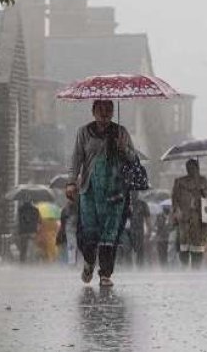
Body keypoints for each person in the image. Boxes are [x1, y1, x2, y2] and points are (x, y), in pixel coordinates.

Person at [66, 100, 137, 287]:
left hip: (115, 192)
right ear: (93, 111)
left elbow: (133, 159)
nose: (105, 114)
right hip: (90, 190)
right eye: (100, 110)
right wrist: (72, 182)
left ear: (113, 112)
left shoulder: (121, 133)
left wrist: (124, 149)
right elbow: (76, 158)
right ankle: (89, 261)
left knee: (110, 233)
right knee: (88, 233)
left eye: (109, 110)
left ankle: (105, 273)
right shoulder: (84, 133)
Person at [171, 158, 207, 269]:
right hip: (184, 221)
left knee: (197, 249)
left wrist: (201, 194)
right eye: (189, 168)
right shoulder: (179, 182)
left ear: (197, 168)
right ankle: (184, 267)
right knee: (183, 247)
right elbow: (174, 200)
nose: (191, 170)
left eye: (194, 168)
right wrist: (177, 211)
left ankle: (196, 270)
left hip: (198, 221)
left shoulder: (203, 181)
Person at [126, 194, 152, 267]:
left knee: (140, 250)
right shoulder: (125, 203)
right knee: (127, 249)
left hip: (139, 230)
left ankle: (140, 266)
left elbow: (148, 218)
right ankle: (128, 267)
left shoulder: (142, 204)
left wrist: (149, 229)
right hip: (127, 231)